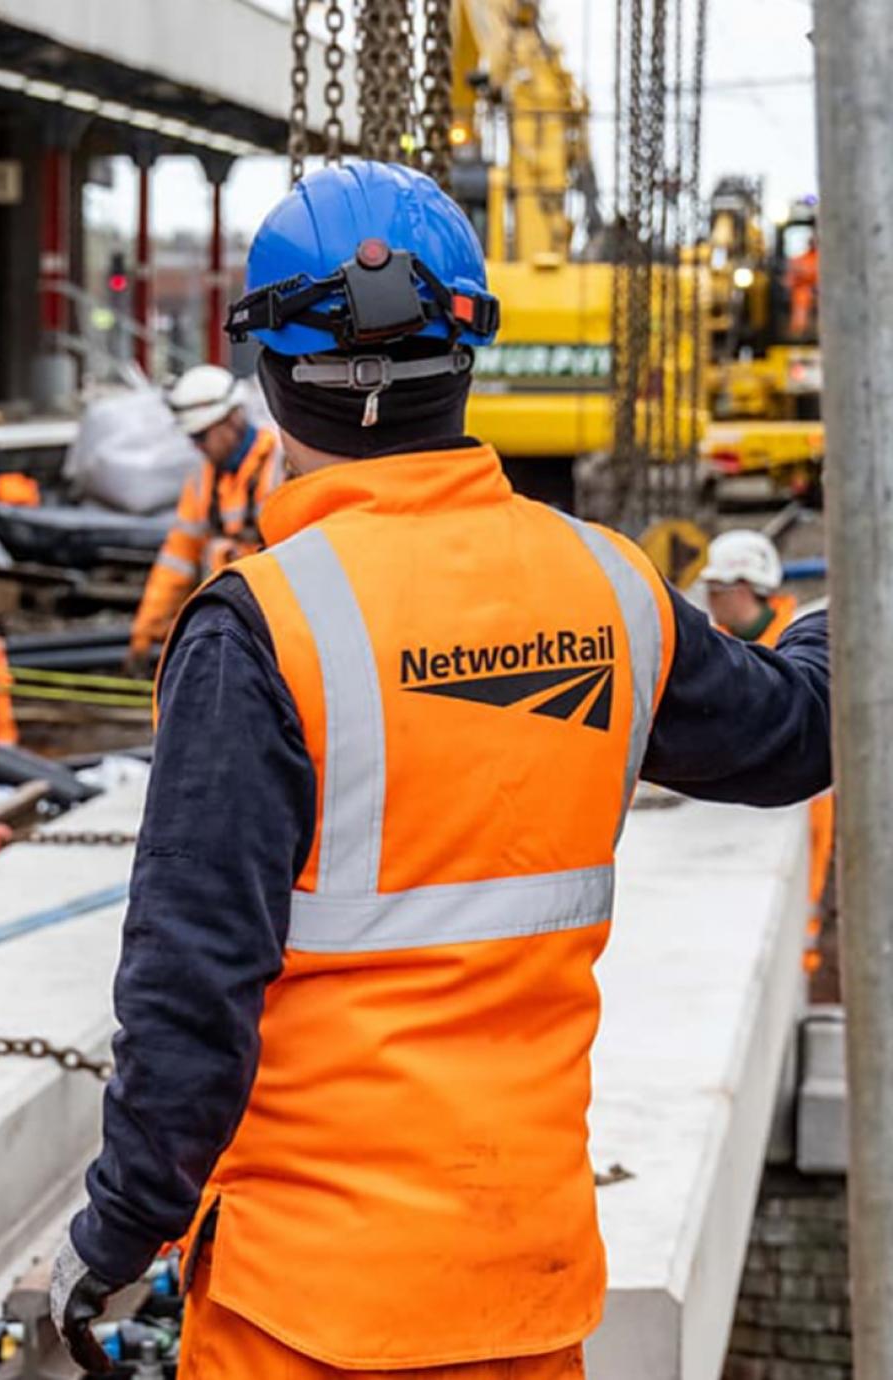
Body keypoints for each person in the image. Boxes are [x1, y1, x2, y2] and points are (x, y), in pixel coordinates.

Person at [49, 161, 832, 1379]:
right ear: (472, 353)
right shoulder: (608, 589)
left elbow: (191, 987)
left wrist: (121, 1227)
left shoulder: (259, 625)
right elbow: (795, 730)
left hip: (304, 1314)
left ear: (269, 378)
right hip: (522, 1291)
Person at [702, 529, 834, 965]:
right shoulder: (717, 651)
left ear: (741, 589)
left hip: (811, 805)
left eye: (714, 589)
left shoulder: (800, 652)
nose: (708, 599)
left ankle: (808, 961)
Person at [127, 365, 285, 675]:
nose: (195, 445)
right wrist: (147, 632)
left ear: (232, 420)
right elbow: (177, 559)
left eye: (201, 435)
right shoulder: (203, 480)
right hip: (232, 622)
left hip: (279, 624)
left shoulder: (281, 465)